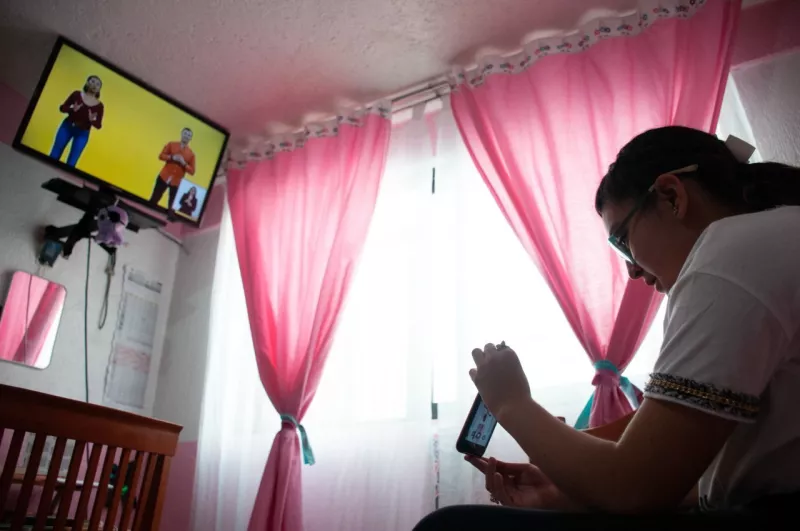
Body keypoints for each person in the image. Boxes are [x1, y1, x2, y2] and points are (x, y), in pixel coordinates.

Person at [415, 126, 800, 530]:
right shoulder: (771, 239)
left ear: (672, 196)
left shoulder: (732, 251)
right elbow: (687, 469)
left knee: (448, 526)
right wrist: (568, 494)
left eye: (622, 241)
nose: (632, 271)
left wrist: (511, 403)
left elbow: (635, 486)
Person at [50, 75, 104, 167]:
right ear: (87, 83)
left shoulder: (99, 106)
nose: (94, 85)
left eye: (98, 84)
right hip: (67, 127)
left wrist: (92, 120)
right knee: (54, 155)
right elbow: (62, 108)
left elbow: (98, 125)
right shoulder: (76, 94)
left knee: (72, 162)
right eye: (92, 81)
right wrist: (72, 109)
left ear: (99, 89)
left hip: (82, 134)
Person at [150, 127, 196, 212]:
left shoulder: (191, 154)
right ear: (181, 134)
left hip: (176, 183)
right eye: (185, 134)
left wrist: (184, 163)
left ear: (190, 138)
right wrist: (172, 157)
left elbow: (192, 171)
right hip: (163, 177)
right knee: (153, 201)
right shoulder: (171, 144)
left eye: (189, 135)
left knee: (171, 209)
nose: (186, 136)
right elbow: (161, 156)